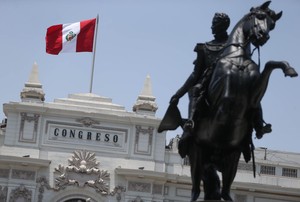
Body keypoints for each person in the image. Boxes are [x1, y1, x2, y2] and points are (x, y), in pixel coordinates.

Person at [169, 13, 271, 153]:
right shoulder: (204, 48)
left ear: (222, 27)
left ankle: (258, 126)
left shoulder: (238, 46)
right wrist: (178, 94)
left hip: (233, 81)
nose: (212, 27)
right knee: (194, 90)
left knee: (251, 93)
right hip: (208, 83)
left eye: (215, 24)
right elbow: (195, 75)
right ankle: (190, 123)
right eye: (213, 24)